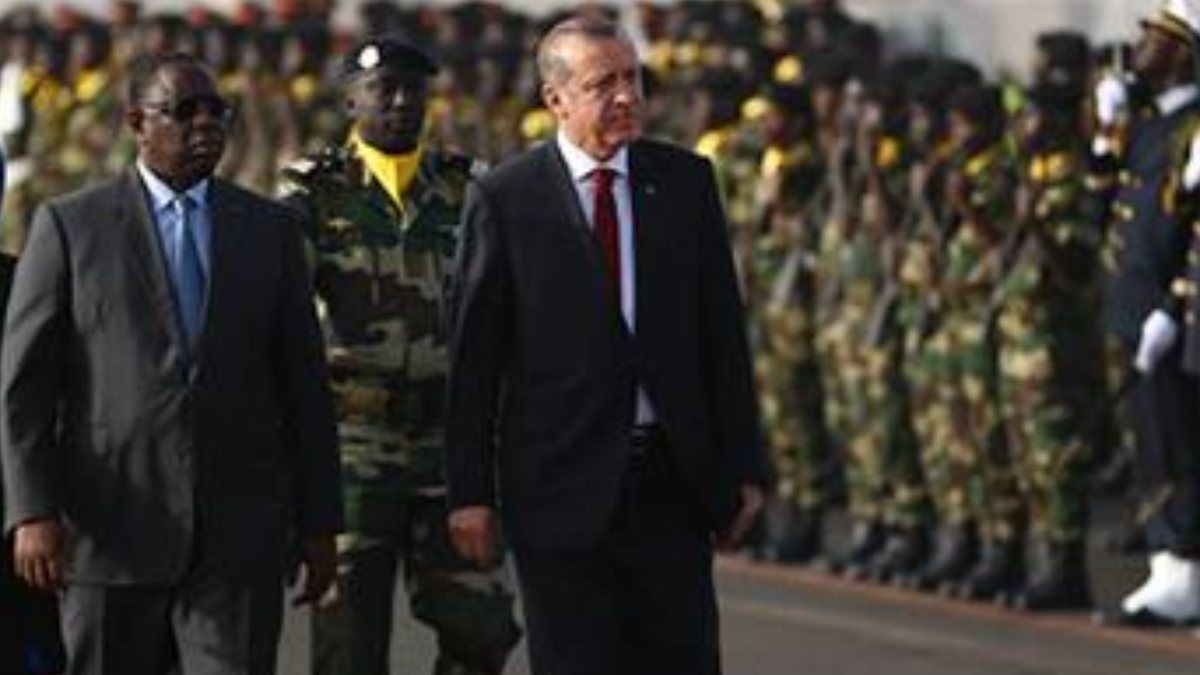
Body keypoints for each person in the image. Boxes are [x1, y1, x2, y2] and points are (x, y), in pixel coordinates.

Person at [0, 51, 343, 674]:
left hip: (235, 539)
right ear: (137, 122)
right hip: (110, 531)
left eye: (217, 111)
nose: (205, 123)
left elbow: (303, 386)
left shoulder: (269, 230)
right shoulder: (71, 227)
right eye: (184, 111)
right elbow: (26, 388)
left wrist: (321, 521)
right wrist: (31, 511)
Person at [444, 16, 766, 675]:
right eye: (602, 84)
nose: (626, 97)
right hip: (559, 488)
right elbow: (474, 362)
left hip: (670, 486)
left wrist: (746, 466)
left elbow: (722, 337)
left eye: (632, 79)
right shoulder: (505, 198)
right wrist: (469, 492)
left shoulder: (685, 182)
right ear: (555, 99)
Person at [278, 37, 521, 675]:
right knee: (348, 646)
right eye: (383, 89)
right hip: (354, 449)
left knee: (484, 629)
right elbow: (280, 311)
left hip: (450, 447)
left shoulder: (468, 189)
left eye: (413, 89)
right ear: (350, 101)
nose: (401, 102)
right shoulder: (314, 192)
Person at [1089, 0, 1200, 626]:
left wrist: (1173, 305)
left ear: (1182, 54)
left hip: (1169, 314)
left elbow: (1192, 233)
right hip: (1133, 308)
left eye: (1155, 40)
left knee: (1178, 441)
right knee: (1152, 441)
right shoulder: (1151, 124)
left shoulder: (1192, 131)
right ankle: (1169, 565)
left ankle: (1181, 565)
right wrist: (1106, 135)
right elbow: (1103, 210)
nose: (1140, 50)